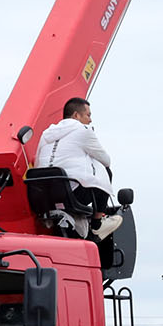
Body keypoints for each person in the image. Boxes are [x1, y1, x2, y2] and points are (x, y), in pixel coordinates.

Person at [35, 97, 123, 241]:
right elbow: (106, 160)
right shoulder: (83, 131)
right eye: (88, 115)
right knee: (105, 170)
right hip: (71, 196)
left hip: (44, 197)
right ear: (76, 115)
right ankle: (97, 224)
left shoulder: (47, 134)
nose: (90, 120)